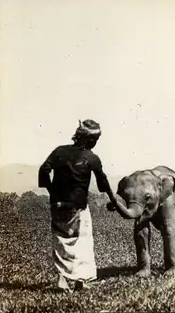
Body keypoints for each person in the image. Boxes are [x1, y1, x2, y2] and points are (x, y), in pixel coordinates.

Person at [38, 119, 118, 292]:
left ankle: (62, 279)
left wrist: (53, 192)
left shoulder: (59, 151)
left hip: (58, 204)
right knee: (82, 242)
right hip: (78, 206)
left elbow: (43, 170)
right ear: (91, 140)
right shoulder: (91, 157)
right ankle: (80, 281)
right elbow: (102, 182)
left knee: (60, 240)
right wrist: (113, 199)